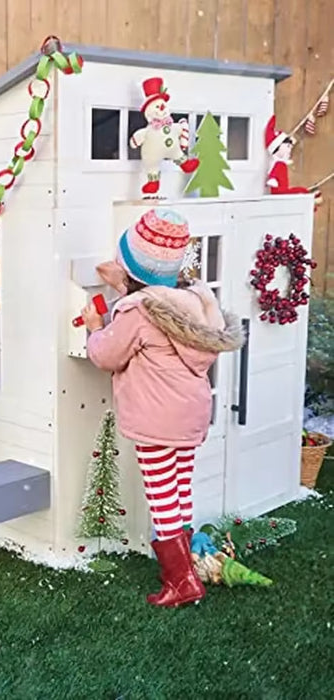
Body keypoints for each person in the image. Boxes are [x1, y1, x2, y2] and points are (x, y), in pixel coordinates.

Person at [80, 208, 243, 608]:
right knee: (179, 486)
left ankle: (181, 581)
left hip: (156, 418)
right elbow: (154, 302)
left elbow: (107, 355)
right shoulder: (193, 300)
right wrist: (124, 283)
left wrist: (93, 327)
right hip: (191, 413)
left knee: (160, 494)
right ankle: (186, 562)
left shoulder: (136, 312)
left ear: (133, 269)